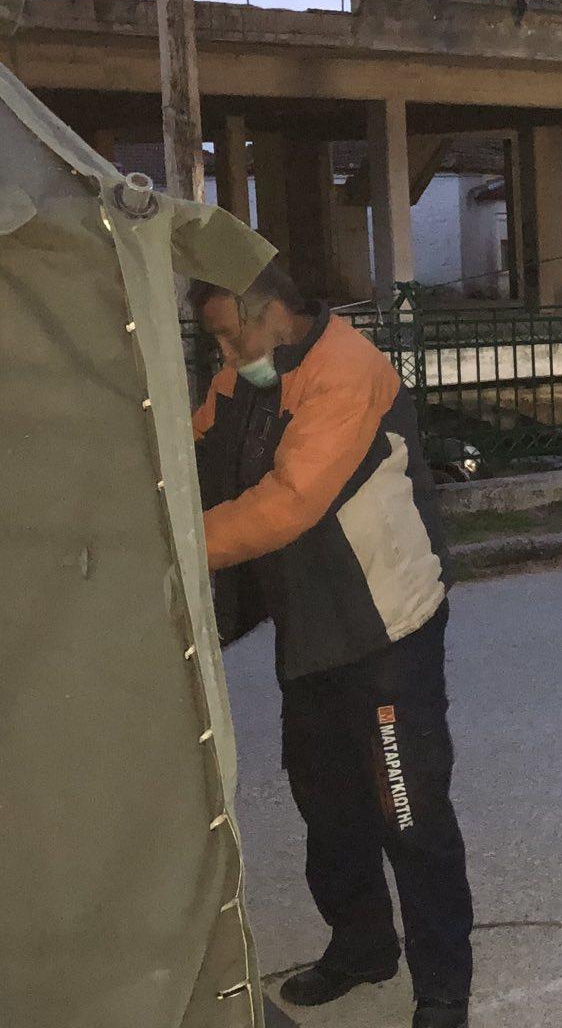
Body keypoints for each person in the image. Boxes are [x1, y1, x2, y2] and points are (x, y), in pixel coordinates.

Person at [191, 262, 472, 1028]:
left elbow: (290, 502)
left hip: (386, 626)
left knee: (407, 808)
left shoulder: (347, 370)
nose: (224, 355)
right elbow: (192, 456)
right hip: (312, 630)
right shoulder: (246, 378)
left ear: (274, 309)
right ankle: (362, 947)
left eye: (232, 334)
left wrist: (177, 544)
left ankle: (443, 989)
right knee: (328, 803)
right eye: (215, 341)